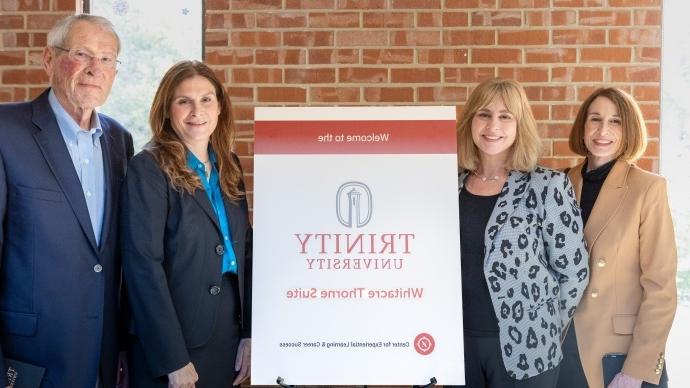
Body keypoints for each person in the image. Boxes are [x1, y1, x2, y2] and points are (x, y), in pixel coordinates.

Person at [0, 14, 132, 388]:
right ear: (49, 59)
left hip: (101, 355)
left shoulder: (120, 141)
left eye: (107, 59)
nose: (96, 69)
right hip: (28, 357)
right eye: (82, 54)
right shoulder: (5, 132)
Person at [121, 60, 252, 388]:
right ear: (167, 110)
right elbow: (143, 267)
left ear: (220, 107)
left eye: (206, 99)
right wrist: (173, 359)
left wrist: (250, 334)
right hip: (172, 336)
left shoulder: (229, 164)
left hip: (227, 330)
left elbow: (245, 250)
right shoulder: (148, 168)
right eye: (184, 101)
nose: (197, 111)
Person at [456, 77, 589, 387]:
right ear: (471, 121)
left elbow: (574, 272)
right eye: (484, 114)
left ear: (520, 125)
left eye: (506, 116)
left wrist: (545, 325)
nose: (493, 125)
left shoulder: (547, 185)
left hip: (527, 348)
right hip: (457, 344)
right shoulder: (451, 185)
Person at [557, 87, 677, 388]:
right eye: (595, 119)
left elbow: (660, 287)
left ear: (629, 130)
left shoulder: (648, 188)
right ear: (582, 127)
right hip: (563, 347)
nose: (603, 130)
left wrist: (638, 368)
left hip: (620, 354)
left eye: (615, 122)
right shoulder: (558, 184)